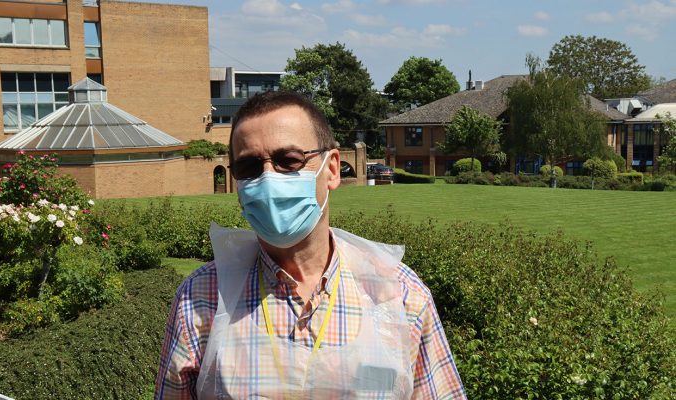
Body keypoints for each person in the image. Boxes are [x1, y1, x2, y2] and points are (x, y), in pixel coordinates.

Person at [154, 91, 466, 399]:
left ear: (331, 170)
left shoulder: (399, 296)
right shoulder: (201, 299)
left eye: (288, 160)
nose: (268, 177)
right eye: (249, 166)